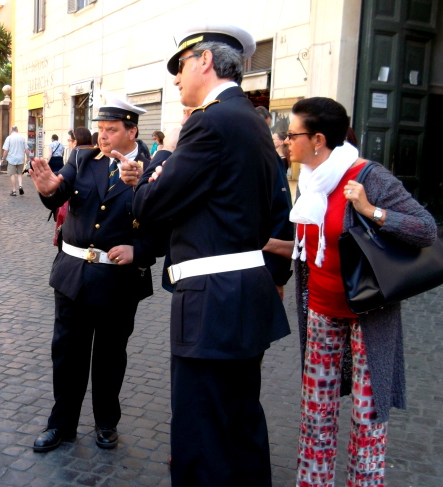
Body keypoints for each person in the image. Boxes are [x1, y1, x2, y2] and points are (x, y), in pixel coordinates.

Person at [129, 23, 291, 486]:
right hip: (241, 294)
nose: (176, 79)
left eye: (180, 67)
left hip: (213, 302)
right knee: (240, 425)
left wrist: (159, 162)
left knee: (202, 431)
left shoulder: (210, 120)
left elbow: (151, 205)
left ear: (204, 61)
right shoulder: (253, 121)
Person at [262, 97, 437, 487]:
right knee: (315, 414)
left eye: (292, 134)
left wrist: (371, 209)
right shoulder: (309, 183)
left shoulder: (367, 177)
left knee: (366, 418)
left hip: (368, 315)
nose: (286, 141)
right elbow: (313, 250)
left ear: (318, 139)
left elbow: (425, 229)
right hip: (322, 312)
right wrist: (265, 244)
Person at [29, 93, 157, 453]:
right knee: (67, 354)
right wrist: (47, 189)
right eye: (100, 129)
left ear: (132, 132)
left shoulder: (153, 170)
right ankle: (62, 425)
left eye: (111, 130)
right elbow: (59, 192)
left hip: (118, 280)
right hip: (72, 276)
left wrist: (141, 251)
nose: (102, 136)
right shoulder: (83, 159)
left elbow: (164, 224)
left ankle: (106, 422)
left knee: (110, 356)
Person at [1, 125, 30, 196]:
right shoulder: (22, 138)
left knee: (12, 174)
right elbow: (26, 149)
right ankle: (20, 186)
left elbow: (6, 150)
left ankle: (14, 190)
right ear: (17, 130)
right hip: (21, 158)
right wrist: (28, 158)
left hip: (11, 159)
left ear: (11, 130)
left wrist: (3, 158)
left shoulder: (9, 138)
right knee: (20, 173)